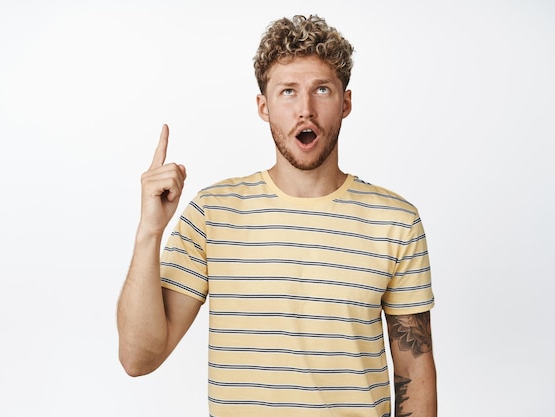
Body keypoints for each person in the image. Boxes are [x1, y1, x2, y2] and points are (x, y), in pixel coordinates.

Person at [117, 14, 437, 417]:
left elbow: (414, 368)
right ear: (264, 107)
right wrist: (150, 230)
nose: (305, 110)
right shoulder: (213, 214)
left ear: (346, 103)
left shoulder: (396, 221)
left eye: (322, 89)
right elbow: (138, 358)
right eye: (288, 92)